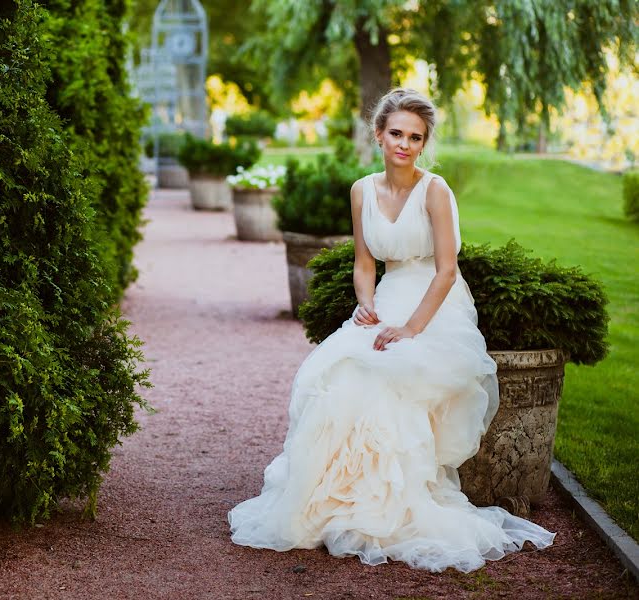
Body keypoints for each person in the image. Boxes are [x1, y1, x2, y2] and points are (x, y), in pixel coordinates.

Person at [227, 88, 555, 573]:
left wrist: (410, 328)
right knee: (343, 374)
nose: (404, 144)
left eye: (415, 137)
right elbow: (364, 262)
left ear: (424, 143)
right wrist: (366, 305)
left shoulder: (436, 190)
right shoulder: (362, 190)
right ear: (379, 134)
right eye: (396, 133)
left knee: (391, 372)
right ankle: (339, 499)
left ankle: (391, 504)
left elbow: (447, 270)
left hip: (434, 302)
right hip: (387, 295)